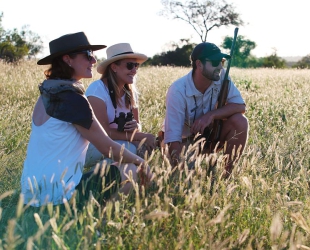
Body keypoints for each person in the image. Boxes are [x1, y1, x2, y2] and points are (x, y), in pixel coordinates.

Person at [20, 32, 152, 207]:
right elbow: (106, 147)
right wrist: (142, 162)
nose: (94, 61)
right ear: (68, 59)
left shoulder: (48, 93)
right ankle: (99, 224)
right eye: (88, 55)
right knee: (131, 169)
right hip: (58, 197)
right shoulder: (71, 99)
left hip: (32, 194)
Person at [162, 42, 248, 177]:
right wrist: (180, 173)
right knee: (185, 176)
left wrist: (211, 115)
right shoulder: (177, 90)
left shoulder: (222, 76)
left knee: (240, 121)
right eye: (215, 62)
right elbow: (173, 138)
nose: (220, 66)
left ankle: (227, 176)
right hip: (184, 142)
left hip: (211, 137)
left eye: (222, 61)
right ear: (199, 64)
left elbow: (240, 106)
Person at [85, 43, 156, 167]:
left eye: (136, 65)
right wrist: (141, 136)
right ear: (114, 67)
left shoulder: (131, 92)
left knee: (143, 147)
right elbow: (104, 132)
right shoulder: (97, 90)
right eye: (129, 65)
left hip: (117, 142)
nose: (134, 70)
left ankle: (125, 179)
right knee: (130, 149)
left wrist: (136, 126)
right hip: (92, 145)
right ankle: (100, 177)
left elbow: (137, 125)